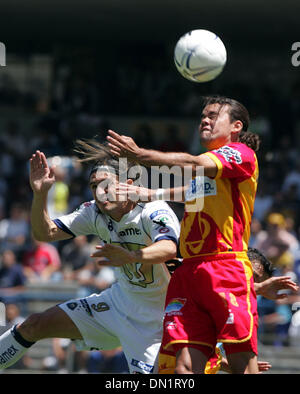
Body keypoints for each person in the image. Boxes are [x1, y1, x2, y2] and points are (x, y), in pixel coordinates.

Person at [105, 95, 263, 373]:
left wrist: (141, 155)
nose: (205, 119)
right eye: (203, 115)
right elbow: (195, 192)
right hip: (189, 272)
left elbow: (192, 162)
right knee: (184, 368)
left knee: (241, 364)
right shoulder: (209, 171)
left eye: (214, 116)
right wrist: (151, 193)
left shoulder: (241, 154)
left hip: (225, 266)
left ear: (236, 126)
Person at [0, 142, 180, 374]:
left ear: (129, 185)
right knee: (34, 324)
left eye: (106, 184)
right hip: (117, 304)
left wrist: (131, 256)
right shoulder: (93, 211)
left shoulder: (152, 209)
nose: (100, 191)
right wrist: (40, 194)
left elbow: (168, 248)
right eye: (94, 186)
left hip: (157, 318)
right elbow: (43, 233)